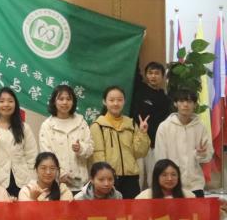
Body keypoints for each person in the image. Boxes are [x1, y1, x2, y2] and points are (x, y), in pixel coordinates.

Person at [90, 85, 150, 199]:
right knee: (111, 209)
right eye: (111, 100)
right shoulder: (98, 126)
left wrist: (142, 133)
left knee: (132, 209)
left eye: (119, 100)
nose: (116, 103)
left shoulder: (131, 124)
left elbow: (140, 153)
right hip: (109, 180)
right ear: (104, 102)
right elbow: (98, 156)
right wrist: (103, 178)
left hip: (131, 178)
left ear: (124, 101)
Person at [154, 89, 212, 197]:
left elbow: (207, 156)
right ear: (175, 103)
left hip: (195, 185)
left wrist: (201, 154)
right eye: (181, 101)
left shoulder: (201, 127)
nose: (185, 105)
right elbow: (160, 159)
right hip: (171, 185)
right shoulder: (164, 127)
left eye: (189, 101)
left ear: (195, 104)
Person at [0, 87, 38, 197]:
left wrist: (33, 181)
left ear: (15, 104)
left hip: (23, 182)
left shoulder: (24, 128)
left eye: (10, 101)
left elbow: (32, 156)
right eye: (1, 101)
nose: (6, 104)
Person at [38, 85, 94, 194]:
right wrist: (60, 174)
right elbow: (46, 154)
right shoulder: (47, 125)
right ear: (54, 101)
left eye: (68, 99)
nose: (65, 102)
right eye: (61, 99)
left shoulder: (81, 122)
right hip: (56, 183)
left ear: (73, 102)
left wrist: (81, 148)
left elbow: (90, 149)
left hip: (81, 184)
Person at [131, 61, 173, 189]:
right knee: (137, 176)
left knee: (153, 177)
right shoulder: (139, 90)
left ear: (162, 76)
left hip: (155, 144)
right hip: (137, 141)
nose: (153, 76)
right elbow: (135, 72)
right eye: (150, 73)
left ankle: (153, 200)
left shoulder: (165, 99)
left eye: (157, 73)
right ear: (146, 75)